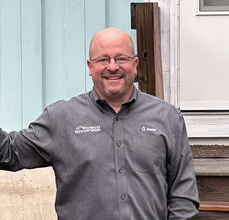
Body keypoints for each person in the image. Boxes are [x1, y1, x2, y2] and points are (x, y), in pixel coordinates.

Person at [0, 27, 199, 219]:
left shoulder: (167, 117)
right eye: (103, 59)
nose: (113, 67)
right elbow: (10, 152)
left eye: (121, 58)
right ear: (90, 66)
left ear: (135, 64)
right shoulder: (62, 118)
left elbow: (183, 196)